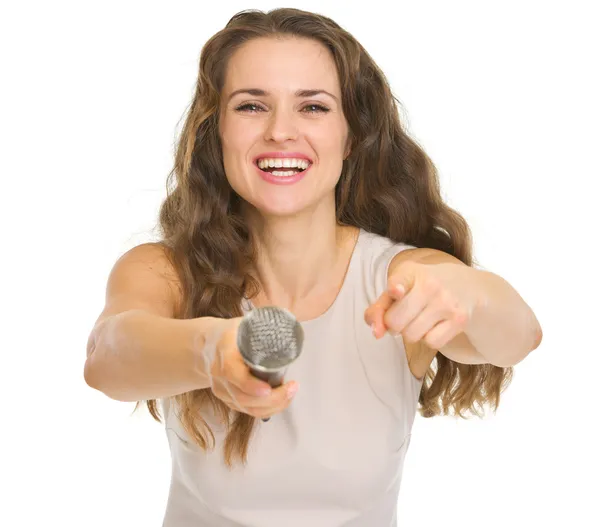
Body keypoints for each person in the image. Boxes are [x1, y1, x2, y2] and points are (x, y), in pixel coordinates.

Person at [83, 7, 543, 527]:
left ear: (351, 138)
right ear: (217, 134)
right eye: (252, 106)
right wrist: (210, 350)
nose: (281, 132)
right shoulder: (165, 270)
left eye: (314, 108)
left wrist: (469, 292)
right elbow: (107, 357)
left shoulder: (401, 277)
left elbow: (520, 335)